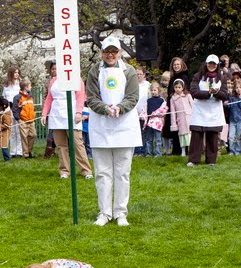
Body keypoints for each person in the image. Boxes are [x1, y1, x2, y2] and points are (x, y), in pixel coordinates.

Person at [85, 35, 141, 227]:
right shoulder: (94, 71)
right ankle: (104, 212)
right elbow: (91, 98)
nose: (110, 55)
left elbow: (133, 96)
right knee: (102, 172)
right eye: (107, 51)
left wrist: (120, 107)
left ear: (119, 53)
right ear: (102, 52)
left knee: (122, 172)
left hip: (124, 127)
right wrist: (105, 108)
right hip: (101, 126)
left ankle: (120, 212)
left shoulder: (129, 71)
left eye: (114, 51)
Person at [41, 65, 93, 179]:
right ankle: (64, 170)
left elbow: (80, 97)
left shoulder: (76, 79)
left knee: (77, 143)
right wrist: (44, 114)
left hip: (72, 112)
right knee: (61, 145)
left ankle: (86, 170)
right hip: (56, 114)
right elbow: (49, 98)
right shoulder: (53, 81)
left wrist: (79, 112)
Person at [186, 54, 228, 166]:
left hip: (214, 111)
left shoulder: (222, 78)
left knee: (212, 136)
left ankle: (211, 160)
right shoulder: (197, 76)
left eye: (214, 64)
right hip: (199, 110)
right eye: (210, 63)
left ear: (217, 65)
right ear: (206, 64)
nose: (211, 65)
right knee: (196, 135)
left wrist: (216, 92)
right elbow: (194, 92)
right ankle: (193, 159)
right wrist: (208, 93)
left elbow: (224, 95)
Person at [164, 57, 191, 155]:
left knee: (184, 129)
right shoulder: (173, 77)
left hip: (182, 108)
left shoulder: (184, 77)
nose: (176, 66)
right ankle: (176, 150)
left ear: (182, 65)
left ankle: (183, 150)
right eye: (174, 64)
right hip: (172, 104)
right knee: (175, 127)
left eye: (178, 64)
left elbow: (186, 92)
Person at [1, 67, 23, 157]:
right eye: (15, 73)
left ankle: (20, 151)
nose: (16, 74)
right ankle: (13, 152)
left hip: (18, 109)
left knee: (19, 130)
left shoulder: (20, 84)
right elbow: (4, 97)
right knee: (12, 131)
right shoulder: (6, 86)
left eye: (18, 72)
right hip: (9, 110)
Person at [12, 78, 36, 158]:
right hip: (23, 120)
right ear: (25, 87)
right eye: (30, 86)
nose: (31, 87)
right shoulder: (17, 97)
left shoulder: (30, 96)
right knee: (24, 137)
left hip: (31, 120)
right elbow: (14, 109)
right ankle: (26, 154)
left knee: (33, 135)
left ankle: (28, 151)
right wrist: (18, 119)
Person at [143, 82, 168, 156]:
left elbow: (163, 109)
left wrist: (155, 113)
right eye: (152, 90)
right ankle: (148, 153)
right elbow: (144, 110)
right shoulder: (148, 101)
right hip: (149, 123)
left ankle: (158, 153)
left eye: (155, 90)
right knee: (149, 139)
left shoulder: (162, 100)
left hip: (157, 123)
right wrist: (143, 115)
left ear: (159, 91)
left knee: (158, 139)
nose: (153, 92)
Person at [226, 81, 241, 156]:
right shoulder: (232, 97)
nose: (238, 89)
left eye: (240, 88)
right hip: (232, 119)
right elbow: (229, 107)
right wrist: (226, 104)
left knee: (239, 135)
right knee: (231, 136)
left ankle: (239, 150)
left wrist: (240, 98)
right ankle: (232, 150)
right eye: (237, 88)